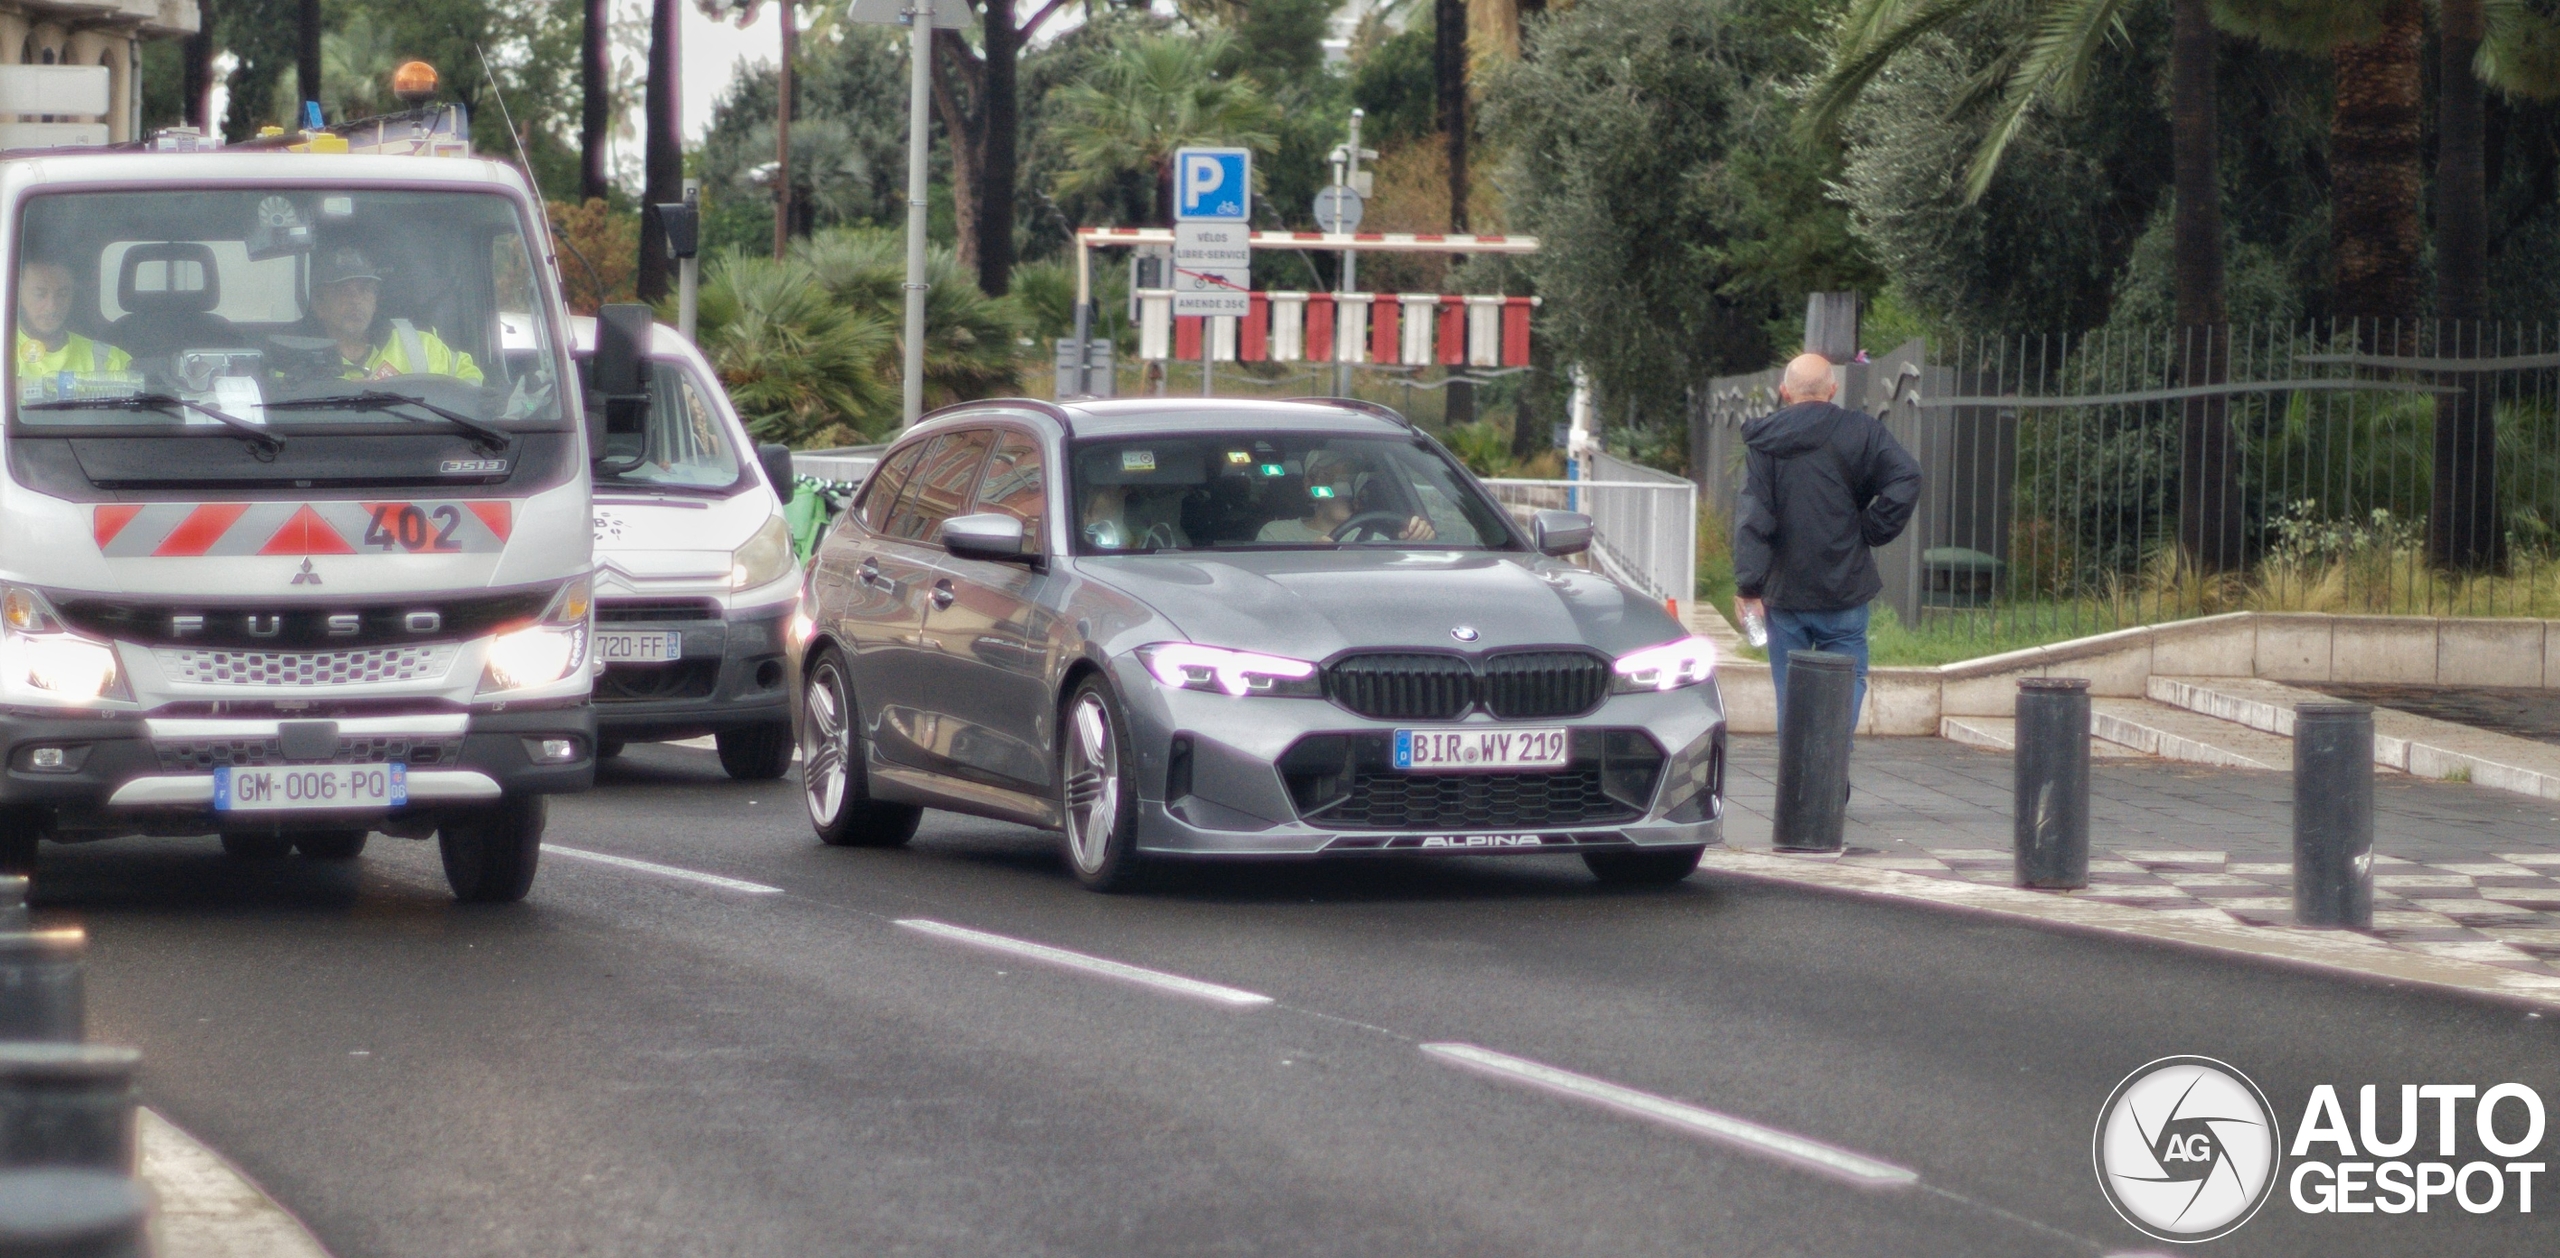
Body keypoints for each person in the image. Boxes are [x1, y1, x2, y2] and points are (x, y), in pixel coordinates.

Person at [1733, 353, 1923, 731]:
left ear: (1784, 392)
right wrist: (1872, 528)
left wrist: (1749, 585)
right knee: (1848, 681)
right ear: (1832, 389)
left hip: (1785, 594)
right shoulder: (1861, 431)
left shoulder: (1766, 441)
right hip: (1845, 587)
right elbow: (1907, 477)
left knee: (1791, 695)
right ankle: (1833, 760)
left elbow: (1755, 517)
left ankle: (1799, 779)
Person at [305, 247, 483, 384]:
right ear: (319, 305)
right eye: (343, 291)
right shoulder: (296, 359)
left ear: (375, 303)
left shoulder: (418, 345)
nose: (356, 300)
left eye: (365, 289)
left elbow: (470, 380)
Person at [1258, 449, 1434, 544]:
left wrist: (1422, 539)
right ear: (1309, 485)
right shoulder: (1276, 534)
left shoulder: (1374, 540)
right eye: (1332, 477)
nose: (1343, 487)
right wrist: (1311, 561)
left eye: (1351, 480)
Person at [16, 258, 131, 381]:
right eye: (40, 295)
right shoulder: (4, 349)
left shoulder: (110, 359)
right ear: (17, 294)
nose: (52, 307)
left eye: (62, 295)